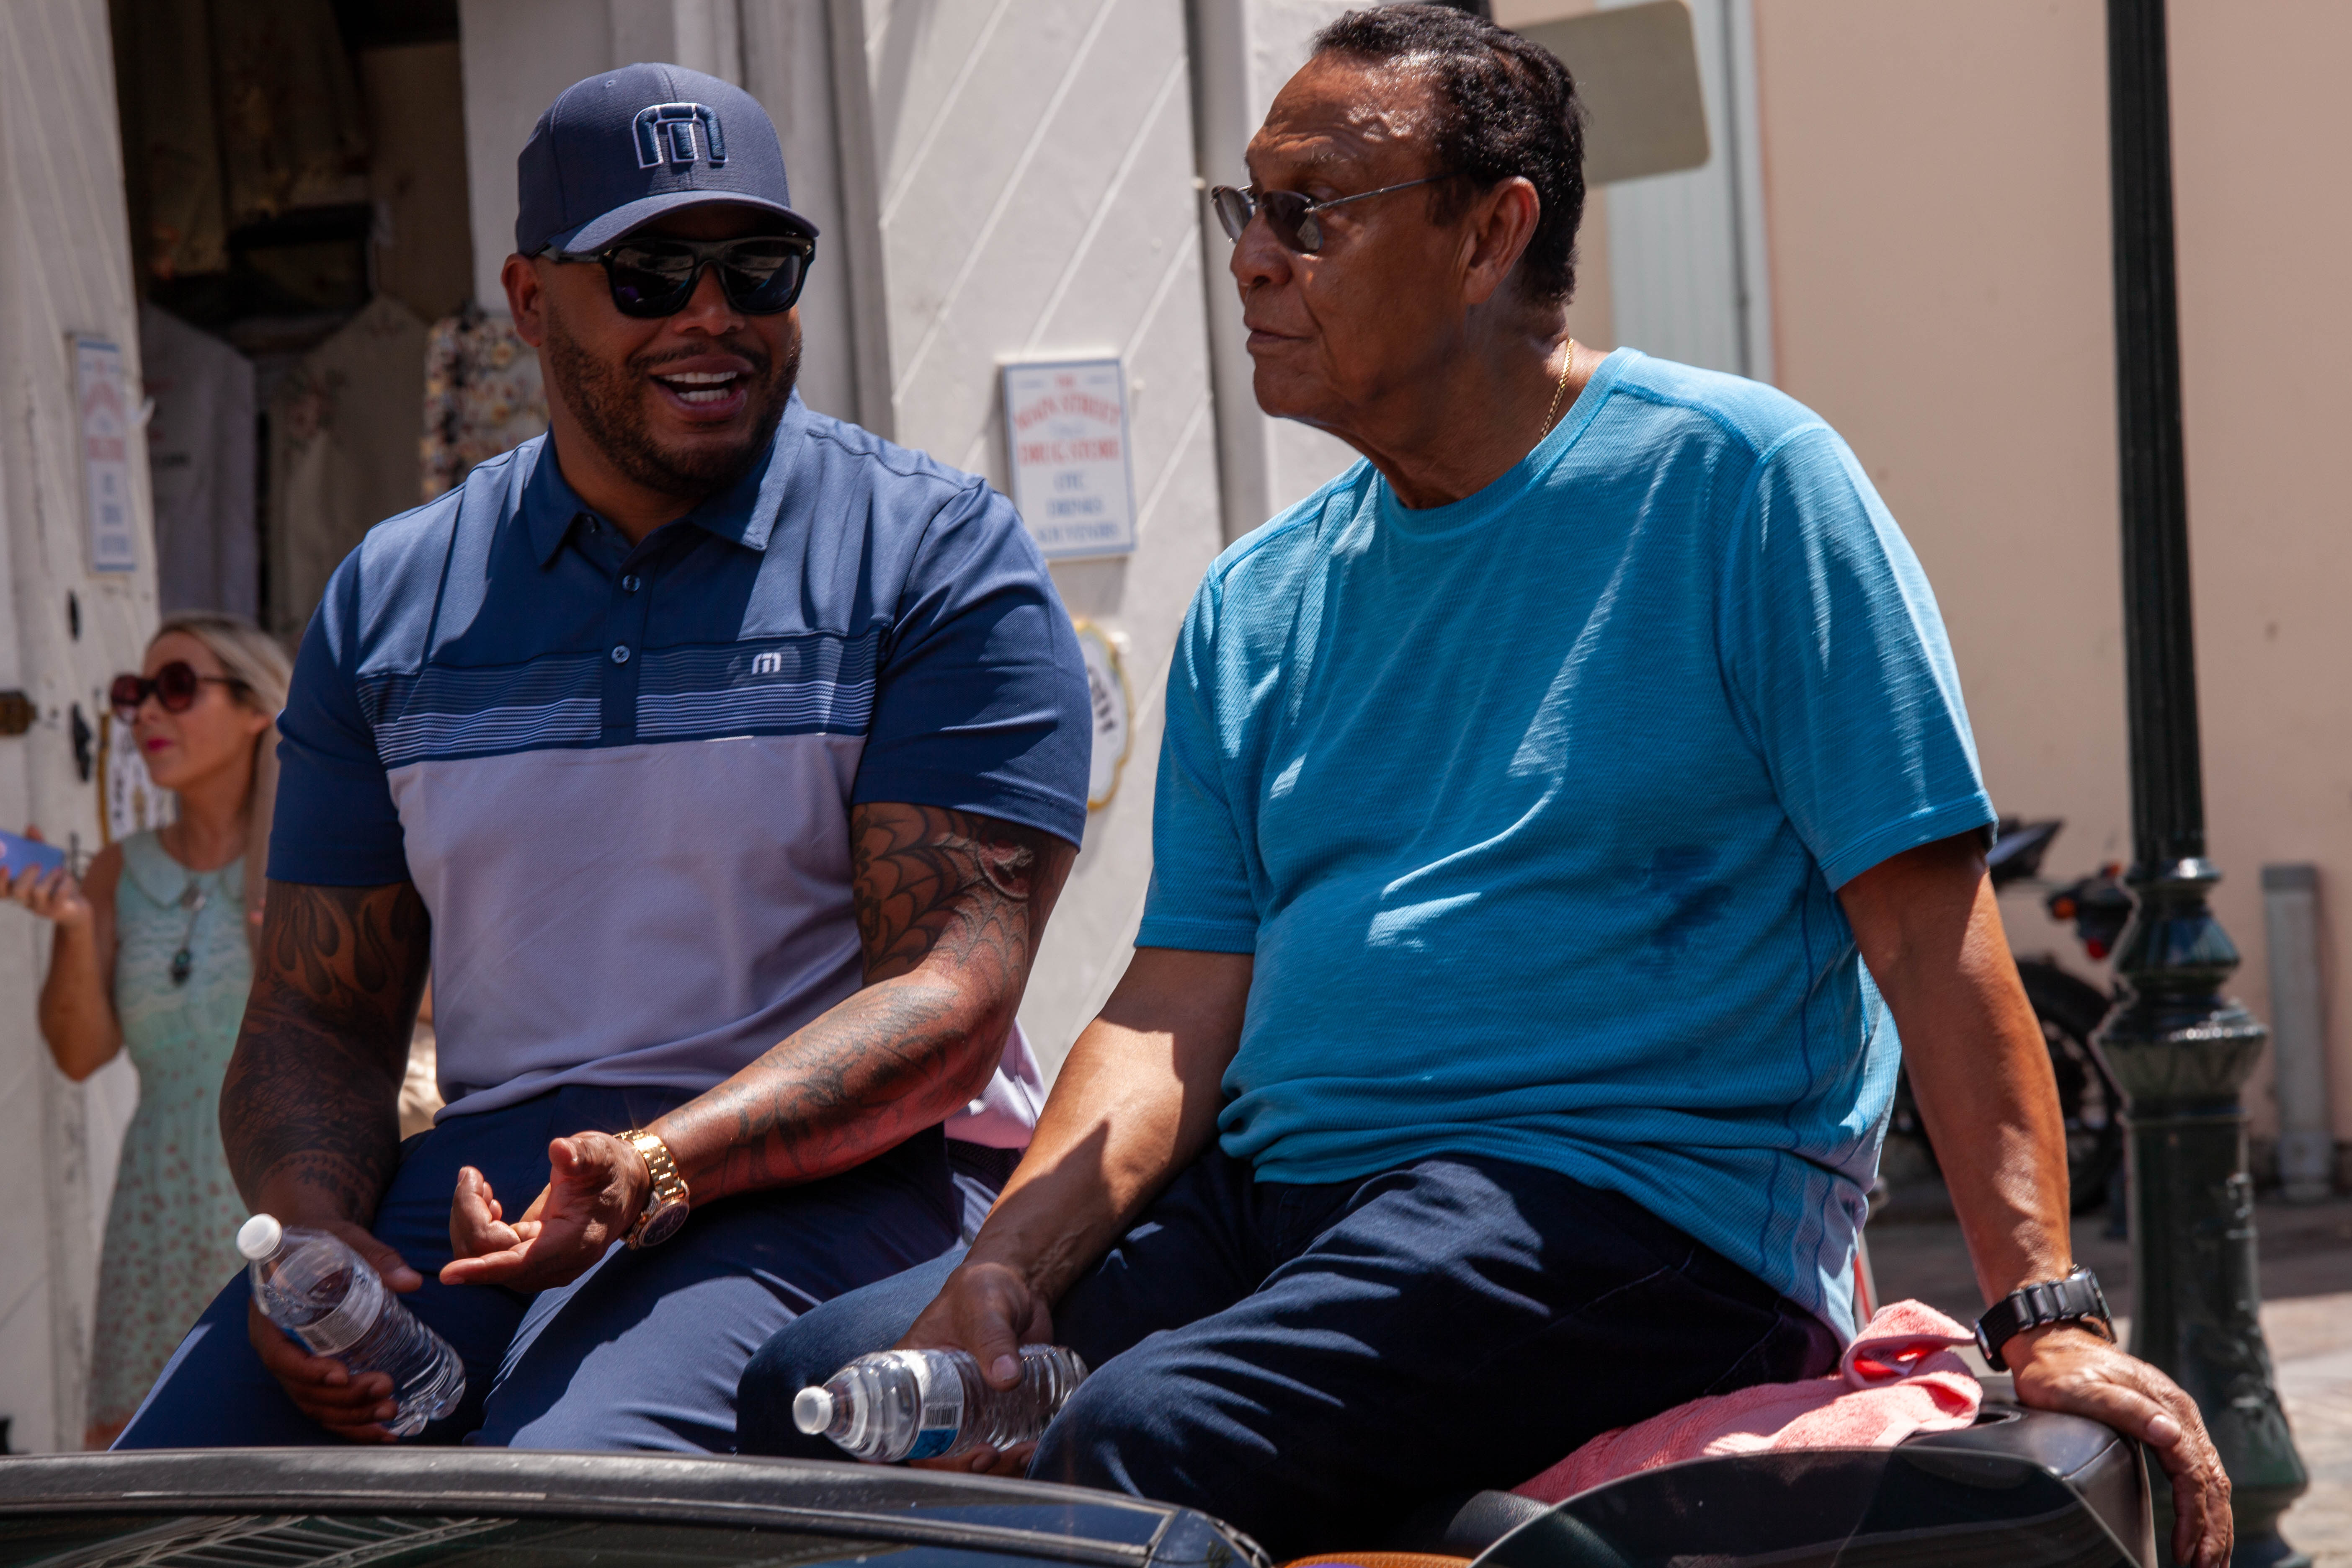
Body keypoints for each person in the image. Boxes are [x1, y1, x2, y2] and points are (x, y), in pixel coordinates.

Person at [735, 10, 2232, 1565]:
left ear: (1487, 234)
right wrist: (1009, 1266)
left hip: (1631, 1216)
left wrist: (2045, 1315)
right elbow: (1176, 998)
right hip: (1281, 1203)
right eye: (1242, 208)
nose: (1252, 258)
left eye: (1308, 212)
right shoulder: (1258, 599)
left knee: (1139, 1440)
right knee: (814, 1387)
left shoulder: (1741, 485)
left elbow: (1932, 941)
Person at [115, 62, 1091, 1452]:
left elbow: (950, 998)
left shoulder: (932, 556)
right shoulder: (393, 597)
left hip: (827, 1175)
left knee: (568, 1494)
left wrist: (656, 1163)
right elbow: (317, 1015)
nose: (714, 312)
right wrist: (319, 1238)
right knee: (166, 1504)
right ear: (526, 300)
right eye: (650, 272)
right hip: (483, 1177)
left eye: (759, 266)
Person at [7, 613, 291, 1449]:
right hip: (157, 1208)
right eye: (133, 695)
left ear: (255, 710)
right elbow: (80, 1053)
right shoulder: (116, 868)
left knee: (287, 1462)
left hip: (284, 1191)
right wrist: (68, 926)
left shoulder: (314, 856)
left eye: (176, 688)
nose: (145, 717)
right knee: (137, 1469)